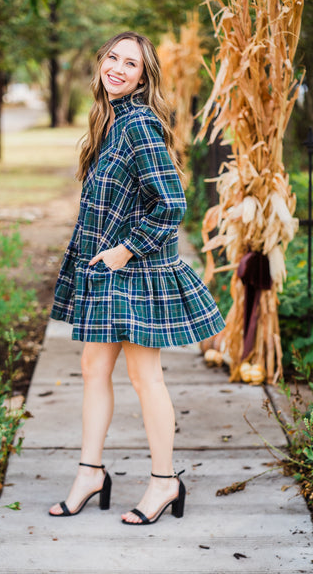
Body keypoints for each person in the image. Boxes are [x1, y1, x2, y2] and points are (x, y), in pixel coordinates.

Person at [48, 31, 226, 525]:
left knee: (145, 377)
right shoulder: (111, 122)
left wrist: (124, 251)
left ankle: (166, 483)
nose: (118, 69)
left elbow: (171, 204)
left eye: (131, 63)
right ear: (101, 61)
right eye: (113, 58)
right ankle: (91, 473)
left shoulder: (140, 123)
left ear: (144, 75)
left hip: (133, 271)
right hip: (107, 270)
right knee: (91, 368)